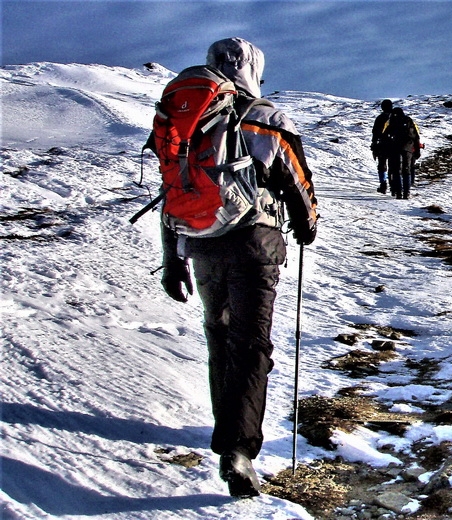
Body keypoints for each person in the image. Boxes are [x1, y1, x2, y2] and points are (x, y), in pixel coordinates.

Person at [159, 37, 318, 498]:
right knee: (250, 344)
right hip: (255, 242)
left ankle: (224, 431)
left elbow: (173, 192)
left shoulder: (187, 120)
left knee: (218, 334)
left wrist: (172, 260)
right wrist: (307, 224)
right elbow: (297, 183)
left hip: (201, 244)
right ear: (253, 69)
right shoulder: (264, 117)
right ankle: (238, 449)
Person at [383, 107, 421, 199]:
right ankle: (406, 193)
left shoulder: (391, 121)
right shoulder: (409, 121)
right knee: (406, 170)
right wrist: (417, 150)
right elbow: (416, 136)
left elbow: (384, 136)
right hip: (408, 148)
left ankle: (398, 192)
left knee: (396, 170)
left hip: (394, 148)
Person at [370, 99, 393, 194]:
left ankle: (383, 184)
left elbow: (375, 133)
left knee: (382, 165)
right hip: (395, 144)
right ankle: (394, 184)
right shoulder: (396, 117)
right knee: (394, 165)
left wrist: (374, 144)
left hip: (382, 144)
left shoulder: (380, 118)